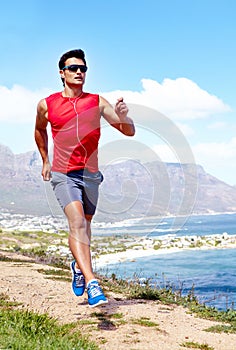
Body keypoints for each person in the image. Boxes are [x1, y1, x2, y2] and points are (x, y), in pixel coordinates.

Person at [34, 49, 135, 307]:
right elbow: (39, 130)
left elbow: (129, 131)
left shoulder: (97, 102)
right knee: (77, 222)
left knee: (86, 225)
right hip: (63, 173)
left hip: (91, 175)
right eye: (73, 68)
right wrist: (46, 160)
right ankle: (92, 283)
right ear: (62, 73)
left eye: (83, 68)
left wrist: (124, 117)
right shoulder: (47, 104)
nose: (79, 72)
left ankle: (78, 266)